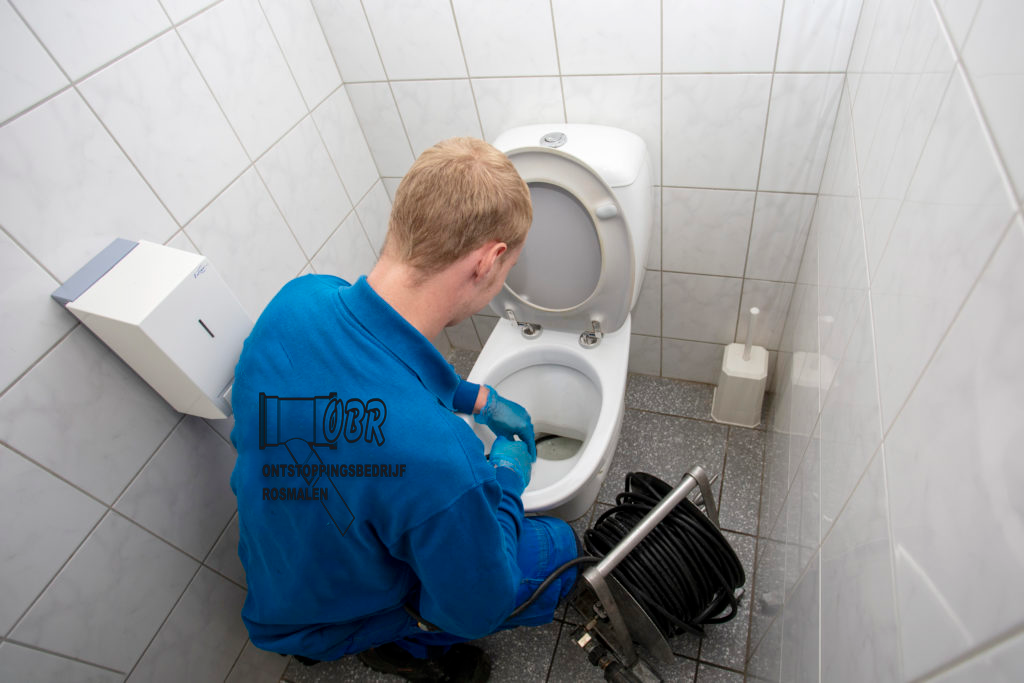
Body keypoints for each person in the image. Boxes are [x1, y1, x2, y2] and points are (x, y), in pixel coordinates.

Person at [229, 137, 580, 682]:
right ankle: (405, 644)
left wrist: (477, 398)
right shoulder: (445, 466)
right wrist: (506, 479)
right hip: (337, 615)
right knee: (556, 551)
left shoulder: (296, 302)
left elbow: (369, 367)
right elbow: (478, 609)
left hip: (283, 576)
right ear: (488, 262)